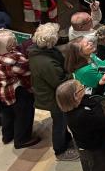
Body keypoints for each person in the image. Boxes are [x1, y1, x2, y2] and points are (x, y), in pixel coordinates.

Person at [28, 22, 77, 160]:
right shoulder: (46, 63)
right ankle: (60, 151)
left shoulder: (37, 49)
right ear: (51, 41)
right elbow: (60, 82)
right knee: (59, 124)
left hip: (51, 94)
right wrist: (75, 74)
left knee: (62, 121)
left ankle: (66, 141)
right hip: (53, 98)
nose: (58, 37)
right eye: (56, 35)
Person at [0, 30, 39, 149]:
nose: (15, 43)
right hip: (16, 91)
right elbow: (28, 71)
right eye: (12, 43)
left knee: (7, 112)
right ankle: (22, 139)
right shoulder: (13, 59)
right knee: (24, 114)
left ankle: (7, 135)